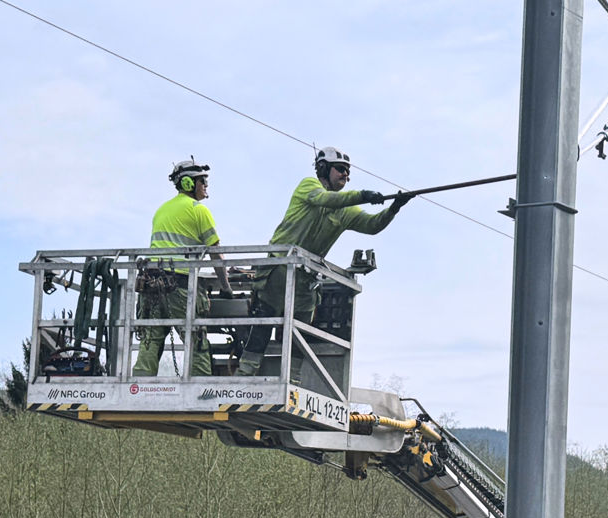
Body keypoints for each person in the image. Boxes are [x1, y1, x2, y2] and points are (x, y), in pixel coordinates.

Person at [236, 145, 413, 376]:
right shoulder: (309, 186)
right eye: (340, 169)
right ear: (323, 168)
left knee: (301, 330)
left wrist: (394, 208)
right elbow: (325, 199)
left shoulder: (344, 209)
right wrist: (362, 195)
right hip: (279, 269)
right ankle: (245, 374)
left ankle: (293, 379)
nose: (345, 176)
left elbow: (372, 225)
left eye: (348, 173)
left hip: (304, 276)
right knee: (264, 322)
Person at [134, 158, 233, 377]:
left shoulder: (161, 210)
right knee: (195, 341)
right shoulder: (199, 210)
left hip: (151, 286)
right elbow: (215, 252)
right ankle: (201, 393)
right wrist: (226, 288)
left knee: (150, 341)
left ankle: (138, 389)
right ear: (188, 184)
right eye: (202, 181)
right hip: (179, 288)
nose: (206, 185)